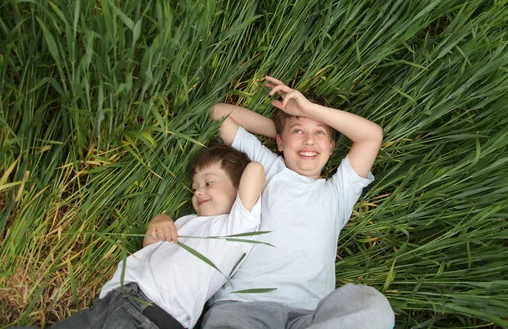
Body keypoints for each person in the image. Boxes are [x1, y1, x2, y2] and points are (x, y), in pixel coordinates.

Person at [200, 76, 395, 328]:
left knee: (375, 310)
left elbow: (371, 136)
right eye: (299, 131)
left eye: (320, 132)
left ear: (332, 146)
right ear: (280, 142)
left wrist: (307, 111)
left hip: (309, 317)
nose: (309, 140)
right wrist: (281, 127)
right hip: (243, 306)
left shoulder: (339, 193)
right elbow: (218, 113)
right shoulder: (268, 167)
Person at [48, 145, 264, 329]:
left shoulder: (235, 227)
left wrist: (239, 171)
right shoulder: (186, 222)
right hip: (116, 299)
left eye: (209, 183)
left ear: (238, 188)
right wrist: (159, 221)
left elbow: (255, 170)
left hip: (152, 315)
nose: (198, 192)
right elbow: (151, 249)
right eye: (195, 187)